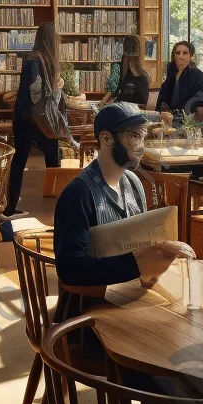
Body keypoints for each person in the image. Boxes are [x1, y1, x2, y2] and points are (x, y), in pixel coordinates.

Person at [54, 102, 193, 304]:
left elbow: (143, 241)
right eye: (135, 136)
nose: (141, 146)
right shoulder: (78, 194)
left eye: (143, 137)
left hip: (129, 300)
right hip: (87, 316)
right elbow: (70, 270)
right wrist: (136, 265)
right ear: (106, 138)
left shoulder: (134, 183)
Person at [3, 22, 65, 219]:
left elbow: (33, 91)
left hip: (26, 117)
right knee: (52, 159)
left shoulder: (32, 59)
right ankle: (62, 206)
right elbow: (37, 93)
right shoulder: (44, 60)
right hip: (39, 117)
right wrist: (56, 87)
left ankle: (11, 207)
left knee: (20, 160)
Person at [154, 41, 203, 121]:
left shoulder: (198, 77)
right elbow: (162, 98)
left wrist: (176, 115)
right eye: (178, 53)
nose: (181, 56)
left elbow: (201, 102)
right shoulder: (172, 72)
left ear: (191, 56)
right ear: (174, 56)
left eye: (185, 53)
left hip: (188, 122)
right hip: (168, 119)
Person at [100, 35, 150, 107]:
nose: (126, 57)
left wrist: (117, 105)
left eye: (129, 54)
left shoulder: (141, 78)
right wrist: (105, 103)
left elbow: (142, 104)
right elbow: (114, 93)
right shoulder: (119, 70)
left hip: (131, 113)